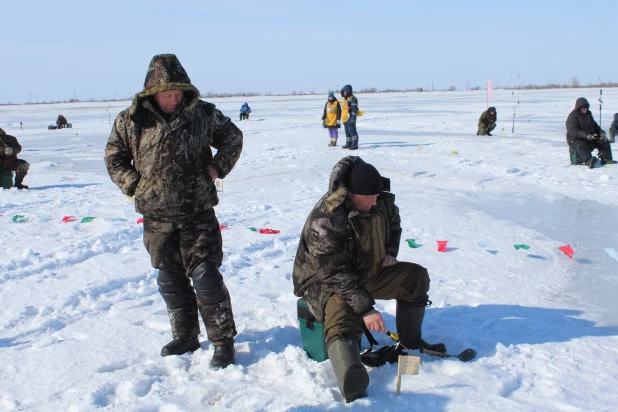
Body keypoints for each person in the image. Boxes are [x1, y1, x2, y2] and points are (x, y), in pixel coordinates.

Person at [104, 54, 243, 369]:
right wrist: (132, 182)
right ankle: (186, 336)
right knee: (170, 279)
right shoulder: (131, 120)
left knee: (206, 276)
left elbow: (233, 137)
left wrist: (217, 167)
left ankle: (222, 341)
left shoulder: (202, 114)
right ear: (152, 93)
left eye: (179, 93)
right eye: (168, 94)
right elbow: (114, 154)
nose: (174, 99)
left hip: (197, 212)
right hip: (156, 216)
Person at [293, 156, 445, 402]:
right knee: (345, 315)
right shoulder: (326, 218)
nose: (375, 202)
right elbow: (334, 271)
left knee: (415, 278)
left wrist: (390, 252)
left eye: (377, 196)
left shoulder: (380, 200)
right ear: (351, 193)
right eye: (369, 197)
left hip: (368, 271)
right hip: (326, 283)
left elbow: (394, 223)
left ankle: (412, 343)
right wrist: (366, 308)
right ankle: (350, 373)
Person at [566, 98, 615, 168]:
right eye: (583, 109)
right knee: (583, 145)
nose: (585, 111)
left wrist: (601, 133)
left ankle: (606, 159)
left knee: (604, 141)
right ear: (578, 108)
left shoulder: (589, 115)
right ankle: (589, 161)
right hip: (574, 139)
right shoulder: (573, 116)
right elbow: (572, 130)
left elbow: (595, 126)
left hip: (589, 137)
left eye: (586, 109)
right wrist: (585, 135)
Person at [340, 85, 359, 150]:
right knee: (347, 132)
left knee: (352, 132)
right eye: (343, 91)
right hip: (345, 118)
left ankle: (354, 145)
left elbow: (354, 109)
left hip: (350, 118)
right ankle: (348, 144)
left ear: (348, 91)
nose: (344, 93)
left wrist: (353, 118)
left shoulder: (353, 99)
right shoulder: (345, 99)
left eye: (345, 91)